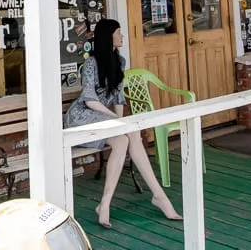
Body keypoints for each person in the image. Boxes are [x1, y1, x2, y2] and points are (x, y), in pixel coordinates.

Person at [64, 18, 182, 229]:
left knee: (125, 140)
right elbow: (89, 100)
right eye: (118, 32)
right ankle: (158, 197)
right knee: (128, 132)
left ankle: (108, 203)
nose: (122, 36)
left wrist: (120, 120)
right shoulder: (91, 64)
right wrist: (117, 120)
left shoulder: (120, 62)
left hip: (105, 119)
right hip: (81, 118)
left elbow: (118, 97)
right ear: (108, 36)